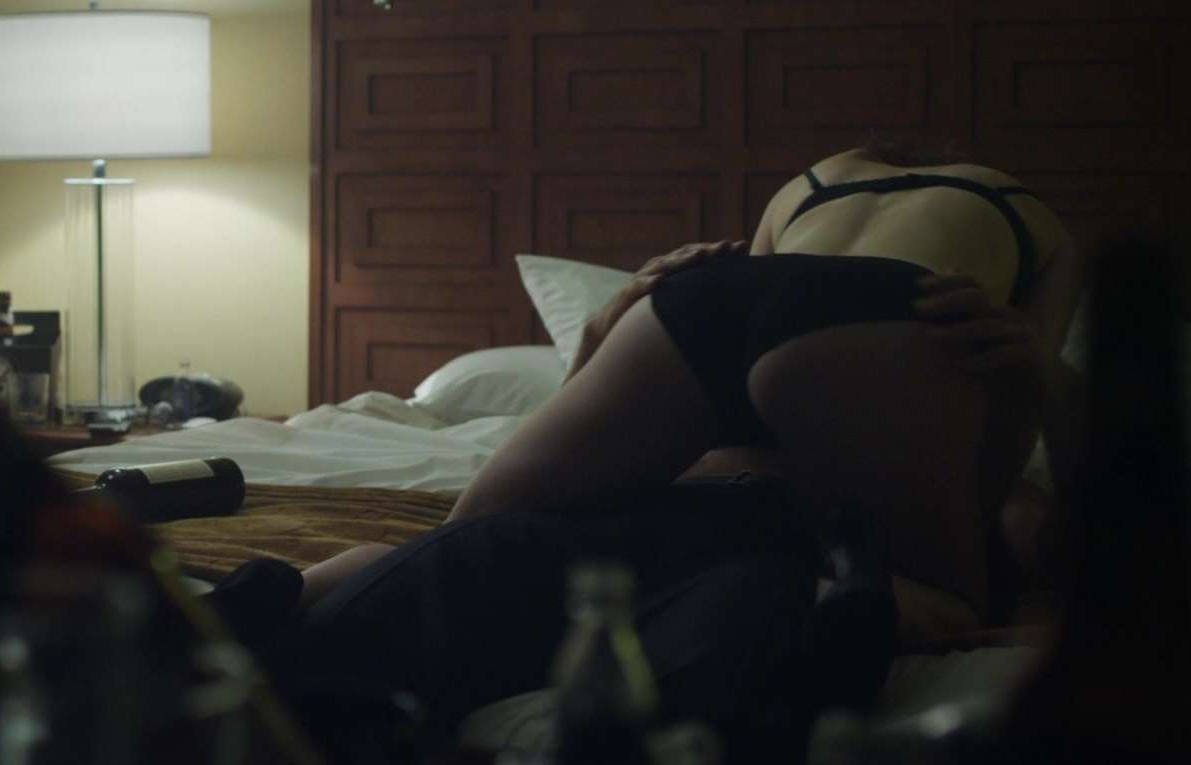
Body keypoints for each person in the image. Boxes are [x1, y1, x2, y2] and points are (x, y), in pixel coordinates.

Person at [215, 142, 1084, 756]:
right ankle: (814, 624)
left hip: (703, 301)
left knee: (464, 535)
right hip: (899, 313)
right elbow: (1020, 429)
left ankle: (254, 609)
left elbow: (749, 333)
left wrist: (606, 332)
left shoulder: (807, 185)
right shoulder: (1036, 225)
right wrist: (1035, 371)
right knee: (946, 602)